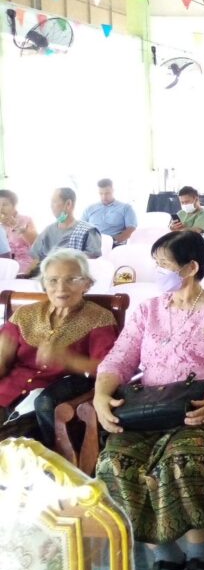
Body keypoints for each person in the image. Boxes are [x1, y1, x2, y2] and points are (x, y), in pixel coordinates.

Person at [92, 230, 204, 570]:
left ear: (191, 267)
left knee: (182, 459)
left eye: (163, 264)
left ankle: (200, 556)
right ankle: (165, 556)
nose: (157, 271)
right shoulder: (148, 310)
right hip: (151, 409)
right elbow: (119, 358)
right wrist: (101, 394)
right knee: (115, 462)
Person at [0, 249, 118, 446]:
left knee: (12, 447)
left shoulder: (99, 318)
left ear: (87, 283)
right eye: (53, 280)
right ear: (43, 284)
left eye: (72, 279)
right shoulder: (24, 314)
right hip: (6, 395)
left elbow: (108, 369)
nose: (61, 288)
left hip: (49, 406)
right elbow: (2, 361)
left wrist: (68, 359)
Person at [29, 188, 102, 273]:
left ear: (68, 204)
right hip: (47, 277)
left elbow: (92, 260)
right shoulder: (48, 230)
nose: (51, 206)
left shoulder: (88, 231)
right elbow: (36, 258)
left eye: (54, 202)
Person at [83, 178, 137, 246]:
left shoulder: (126, 208)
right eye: (101, 193)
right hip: (91, 244)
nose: (104, 197)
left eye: (107, 193)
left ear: (113, 191)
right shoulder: (89, 208)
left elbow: (131, 229)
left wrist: (113, 242)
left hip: (113, 244)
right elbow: (81, 227)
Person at [0, 189, 37, 274]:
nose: (1, 208)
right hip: (3, 267)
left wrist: (17, 226)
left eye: (5, 204)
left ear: (14, 205)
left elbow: (36, 243)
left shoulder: (26, 220)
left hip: (25, 266)